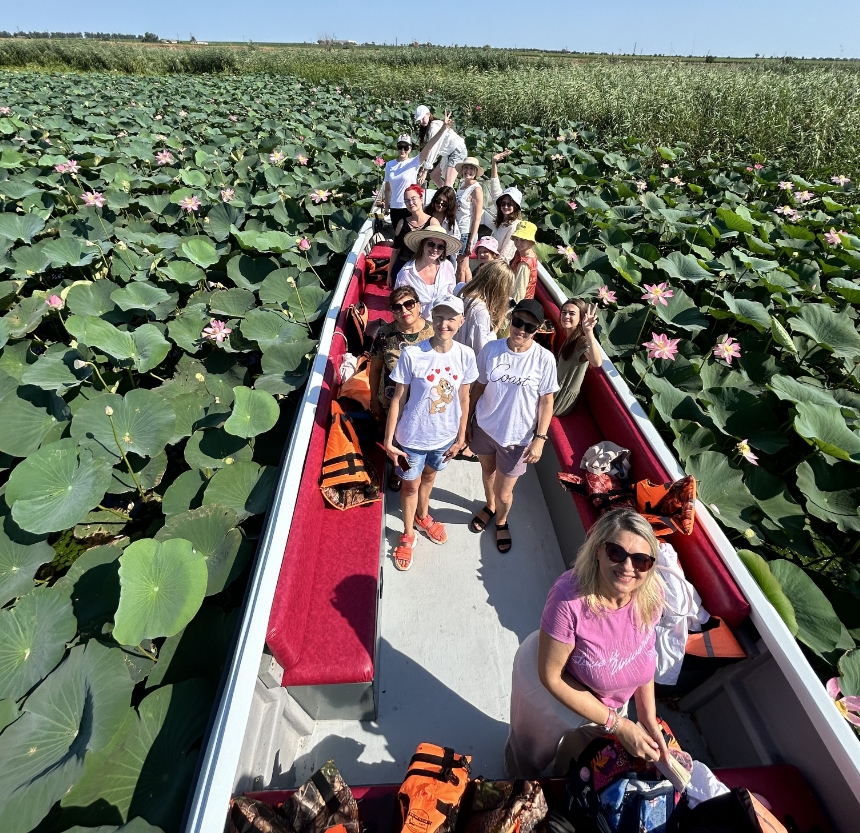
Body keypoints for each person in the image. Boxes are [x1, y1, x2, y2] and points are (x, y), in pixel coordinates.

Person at [505, 509, 669, 778]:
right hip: (550, 691)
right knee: (528, 756)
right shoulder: (568, 597)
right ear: (598, 550)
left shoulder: (652, 595)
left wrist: (647, 717)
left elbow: (644, 655)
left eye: (641, 560)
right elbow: (551, 676)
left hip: (609, 702)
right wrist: (618, 725)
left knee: (583, 761)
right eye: (616, 552)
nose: (628, 567)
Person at [384, 294, 478, 571]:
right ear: (431, 317)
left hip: (444, 439)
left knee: (429, 477)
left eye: (451, 318)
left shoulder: (466, 355)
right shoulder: (413, 354)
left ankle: (423, 515)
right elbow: (398, 399)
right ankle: (408, 533)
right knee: (410, 485)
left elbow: (464, 398)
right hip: (411, 439)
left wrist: (461, 438)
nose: (444, 324)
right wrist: (389, 440)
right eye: (439, 317)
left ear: (461, 321)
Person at [466, 298, 558, 552]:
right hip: (484, 427)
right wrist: (468, 422)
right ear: (510, 319)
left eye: (530, 327)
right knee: (488, 472)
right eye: (518, 322)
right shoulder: (491, 350)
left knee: (505, 493)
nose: (521, 330)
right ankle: (489, 506)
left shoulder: (544, 359)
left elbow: (546, 401)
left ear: (537, 330)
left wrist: (540, 438)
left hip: (517, 438)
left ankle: (501, 520)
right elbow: (479, 387)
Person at [369, 286, 434, 491]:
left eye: (409, 304)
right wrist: (373, 399)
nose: (404, 310)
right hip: (391, 400)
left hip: (423, 401)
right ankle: (399, 471)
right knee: (397, 441)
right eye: (397, 307)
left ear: (419, 305)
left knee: (418, 439)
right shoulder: (385, 334)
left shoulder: (433, 333)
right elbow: (375, 369)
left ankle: (420, 471)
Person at [379, 119, 455, 231]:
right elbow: (388, 189)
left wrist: (443, 128)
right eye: (400, 146)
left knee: (412, 238)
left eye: (406, 147)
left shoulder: (414, 162)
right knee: (398, 237)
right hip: (395, 208)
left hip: (411, 207)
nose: (403, 150)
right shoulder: (389, 165)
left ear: (410, 148)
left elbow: (429, 146)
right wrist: (386, 208)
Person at [394, 227, 461, 320]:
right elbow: (399, 304)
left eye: (440, 246)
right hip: (417, 323)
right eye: (431, 244)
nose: (435, 249)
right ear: (422, 244)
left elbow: (451, 295)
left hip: (443, 322)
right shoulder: (406, 273)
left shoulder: (447, 266)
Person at [455, 260, 514, 355]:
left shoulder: (460, 290)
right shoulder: (480, 311)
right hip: (465, 359)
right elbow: (482, 349)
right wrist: (496, 328)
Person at [554, 299, 602, 416]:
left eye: (572, 313)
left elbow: (597, 362)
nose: (566, 316)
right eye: (564, 312)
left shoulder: (581, 341)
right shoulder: (570, 337)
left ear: (581, 319)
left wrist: (589, 332)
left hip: (560, 399)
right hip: (554, 388)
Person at [387, 185, 434, 288]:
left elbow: (436, 250)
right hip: (401, 268)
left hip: (422, 270)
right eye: (407, 201)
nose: (411, 203)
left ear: (421, 198)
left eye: (413, 199)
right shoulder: (401, 223)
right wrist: (389, 274)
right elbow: (396, 251)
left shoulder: (432, 223)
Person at [414, 104, 468, 188]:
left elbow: (434, 149)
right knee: (434, 176)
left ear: (428, 114)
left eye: (422, 118)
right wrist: (423, 168)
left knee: (448, 184)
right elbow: (429, 150)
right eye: (419, 120)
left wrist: (425, 171)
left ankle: (448, 194)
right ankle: (446, 194)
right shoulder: (429, 127)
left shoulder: (434, 126)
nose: (421, 122)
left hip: (457, 151)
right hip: (448, 153)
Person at [486, 149, 524, 264]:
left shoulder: (514, 226)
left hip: (500, 266)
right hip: (493, 261)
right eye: (503, 203)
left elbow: (506, 256)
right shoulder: (503, 219)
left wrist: (492, 268)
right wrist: (494, 162)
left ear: (516, 206)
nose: (505, 206)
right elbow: (495, 188)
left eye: (510, 204)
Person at [454, 156, 485, 282]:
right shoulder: (462, 185)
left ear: (476, 172)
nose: (468, 171)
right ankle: (468, 290)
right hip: (457, 229)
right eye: (466, 168)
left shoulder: (476, 189)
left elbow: (477, 217)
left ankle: (459, 291)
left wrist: (471, 241)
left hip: (466, 232)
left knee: (460, 267)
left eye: (471, 169)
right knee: (465, 266)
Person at [510, 221, 540, 302]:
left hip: (518, 304)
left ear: (530, 242)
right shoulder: (526, 254)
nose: (518, 243)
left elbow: (519, 292)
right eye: (516, 239)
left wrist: (511, 307)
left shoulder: (524, 264)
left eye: (522, 240)